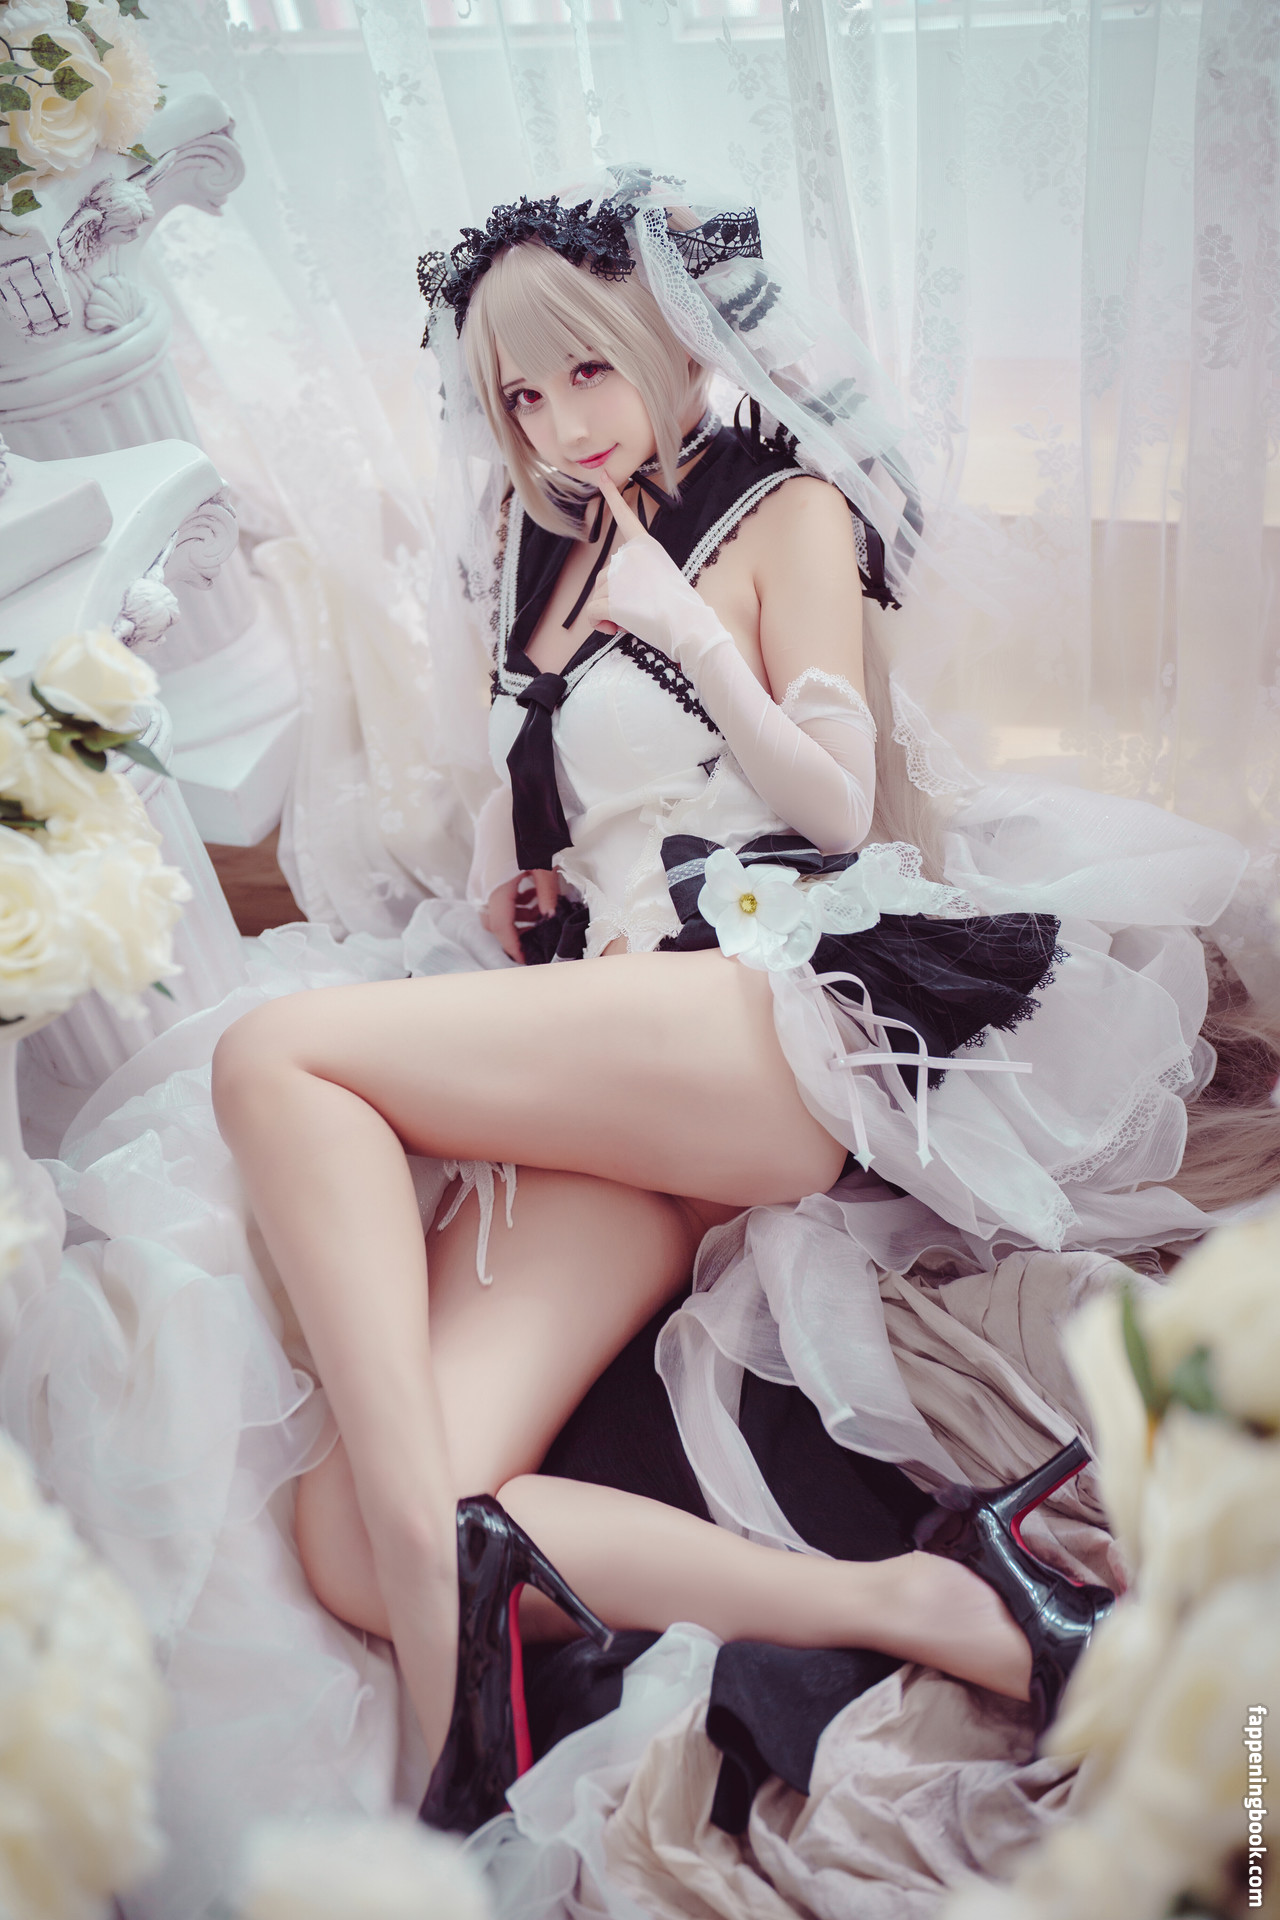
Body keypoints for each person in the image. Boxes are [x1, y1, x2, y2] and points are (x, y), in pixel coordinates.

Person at [208, 176, 1265, 1834]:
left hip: (752, 1010)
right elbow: (592, 807)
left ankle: (440, 1685)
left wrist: (689, 633)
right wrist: (524, 885)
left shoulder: (785, 510)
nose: (562, 422)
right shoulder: (542, 547)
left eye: (589, 370)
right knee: (345, 1531)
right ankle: (928, 1605)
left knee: (273, 1054)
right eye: (522, 396)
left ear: (666, 340)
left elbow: (833, 804)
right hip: (611, 1063)